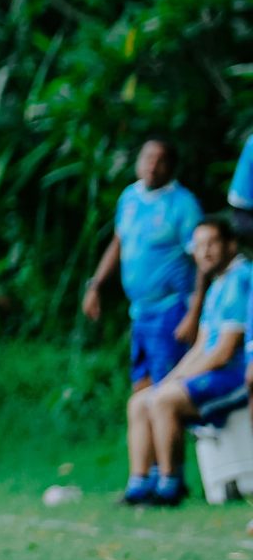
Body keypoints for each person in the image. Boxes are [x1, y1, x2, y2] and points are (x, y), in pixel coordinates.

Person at [123, 216, 250, 506]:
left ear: (231, 244)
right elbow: (201, 346)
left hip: (237, 376)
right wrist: (173, 378)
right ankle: (140, 482)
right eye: (199, 245)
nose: (205, 252)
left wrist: (175, 384)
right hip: (216, 373)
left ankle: (171, 483)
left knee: (164, 400)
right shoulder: (217, 285)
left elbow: (223, 353)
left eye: (212, 244)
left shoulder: (241, 280)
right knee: (141, 400)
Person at [83, 138, 204, 392]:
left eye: (161, 160)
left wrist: (194, 314)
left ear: (171, 167)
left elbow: (202, 260)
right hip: (139, 311)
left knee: (169, 388)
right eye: (148, 158)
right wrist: (95, 285)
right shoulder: (129, 198)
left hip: (172, 310)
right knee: (141, 385)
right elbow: (118, 242)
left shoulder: (183, 204)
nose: (153, 165)